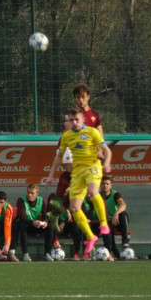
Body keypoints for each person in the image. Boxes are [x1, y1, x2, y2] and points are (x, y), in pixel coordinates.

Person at [47, 109, 111, 260]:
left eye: (76, 119)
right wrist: (50, 175)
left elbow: (107, 150)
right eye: (71, 120)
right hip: (77, 172)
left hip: (92, 166)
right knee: (75, 208)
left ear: (83, 120)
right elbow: (59, 157)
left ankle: (103, 224)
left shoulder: (92, 132)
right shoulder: (66, 136)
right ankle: (91, 237)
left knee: (93, 191)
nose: (74, 122)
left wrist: (106, 162)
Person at [50, 84, 104, 220]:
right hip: (70, 146)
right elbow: (69, 128)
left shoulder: (95, 115)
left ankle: (59, 207)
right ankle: (59, 202)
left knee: (78, 182)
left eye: (83, 97)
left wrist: (99, 149)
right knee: (73, 175)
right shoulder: (70, 112)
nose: (80, 100)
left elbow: (100, 134)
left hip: (87, 151)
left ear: (88, 97)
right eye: (78, 97)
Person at [10, 184, 54, 261]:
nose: (29, 195)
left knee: (50, 227)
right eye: (28, 192)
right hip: (26, 224)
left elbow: (45, 215)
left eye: (32, 193)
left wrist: (45, 222)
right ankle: (25, 254)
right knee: (22, 226)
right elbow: (22, 217)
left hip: (35, 224)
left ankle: (47, 253)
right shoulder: (21, 200)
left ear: (37, 194)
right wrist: (32, 222)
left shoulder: (42, 201)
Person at [99, 176, 130, 259]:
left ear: (110, 186)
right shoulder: (97, 196)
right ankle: (113, 253)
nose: (105, 186)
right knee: (108, 236)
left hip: (117, 221)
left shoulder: (115, 194)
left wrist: (116, 213)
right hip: (106, 222)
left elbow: (123, 205)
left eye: (107, 184)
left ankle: (125, 241)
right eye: (103, 184)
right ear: (100, 185)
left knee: (123, 214)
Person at [48, 192, 83, 260]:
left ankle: (76, 253)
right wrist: (66, 211)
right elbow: (51, 211)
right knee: (51, 223)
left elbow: (76, 214)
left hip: (67, 223)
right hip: (56, 222)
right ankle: (55, 241)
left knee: (76, 227)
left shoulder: (74, 198)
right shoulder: (53, 196)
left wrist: (64, 222)